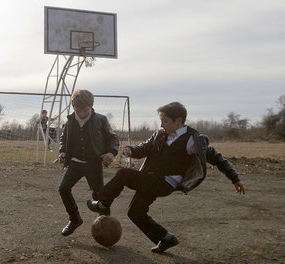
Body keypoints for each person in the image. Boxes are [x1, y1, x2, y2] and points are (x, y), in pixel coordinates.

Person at [87, 102, 245, 253]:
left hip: (165, 183)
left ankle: (103, 204)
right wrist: (130, 150)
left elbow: (217, 158)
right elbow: (144, 148)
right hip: (150, 179)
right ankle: (166, 238)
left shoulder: (191, 141)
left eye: (165, 121)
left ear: (179, 121)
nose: (161, 125)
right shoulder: (159, 135)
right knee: (135, 213)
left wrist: (235, 178)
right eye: (161, 121)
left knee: (123, 175)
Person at [57, 89, 119, 236]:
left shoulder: (100, 120)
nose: (82, 113)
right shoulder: (70, 121)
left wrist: (111, 152)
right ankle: (75, 219)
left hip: (93, 164)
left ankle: (106, 229)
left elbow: (113, 139)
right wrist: (62, 151)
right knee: (63, 188)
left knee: (99, 197)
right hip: (75, 163)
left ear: (91, 106)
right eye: (78, 110)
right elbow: (63, 139)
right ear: (73, 108)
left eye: (85, 110)